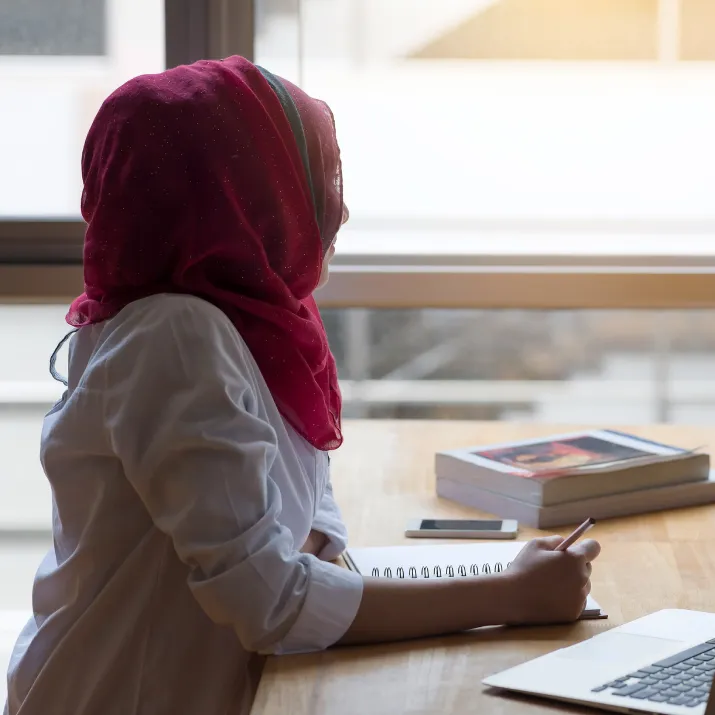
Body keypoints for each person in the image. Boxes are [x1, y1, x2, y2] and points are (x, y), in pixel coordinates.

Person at [4, 56, 600, 715]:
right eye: (306, 176)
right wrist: (507, 594)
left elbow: (310, 513)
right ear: (241, 194)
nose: (336, 210)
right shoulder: (173, 334)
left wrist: (296, 573)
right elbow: (270, 603)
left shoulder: (243, 320)